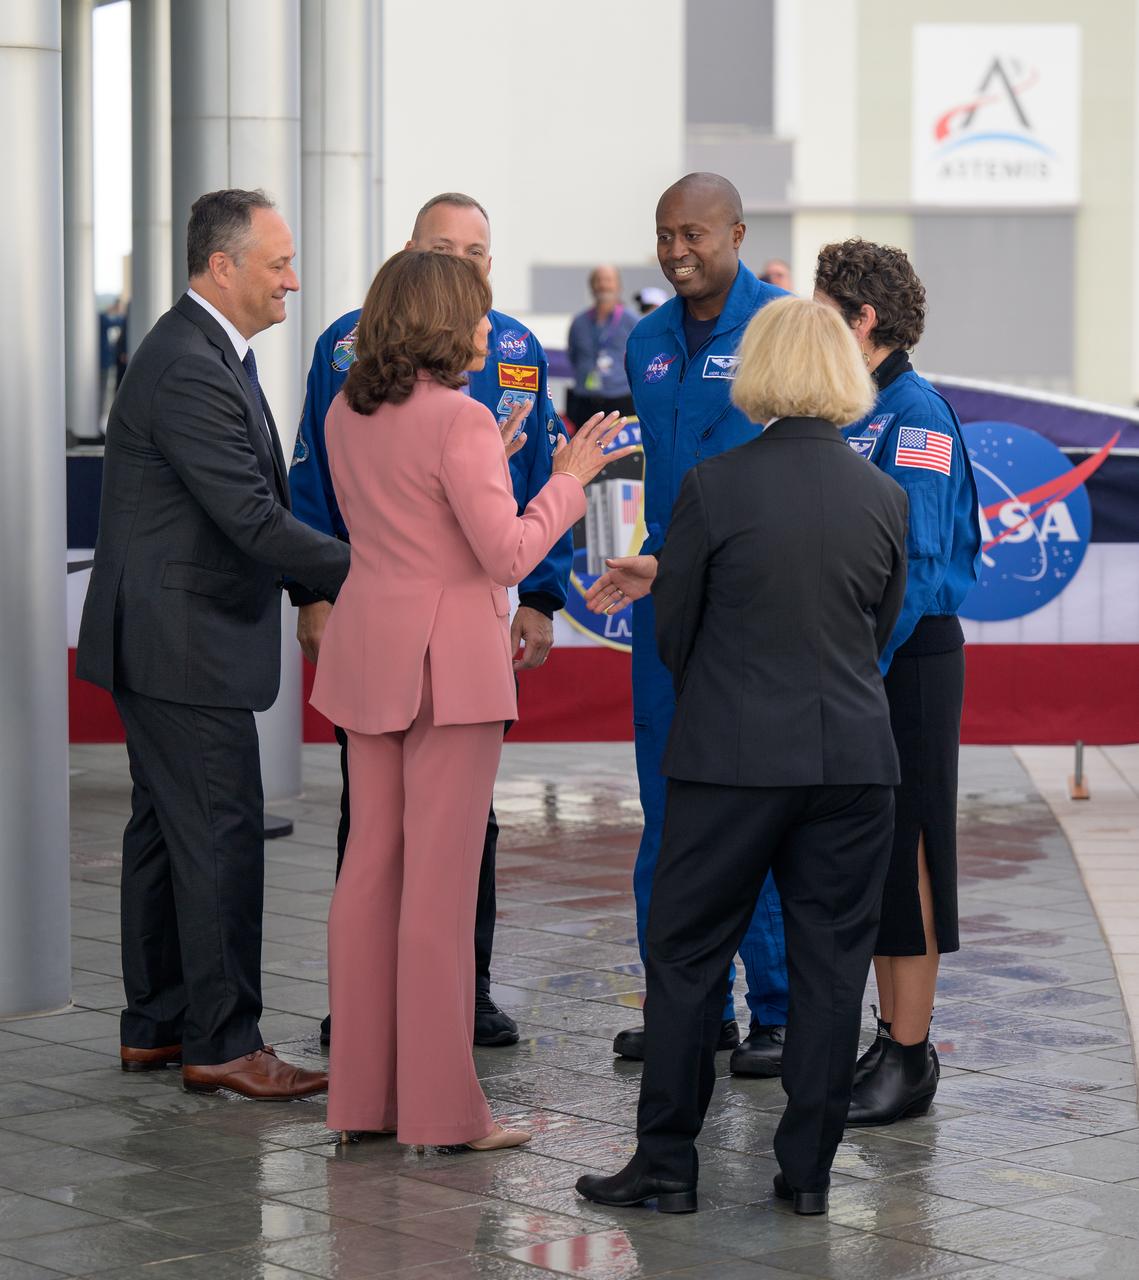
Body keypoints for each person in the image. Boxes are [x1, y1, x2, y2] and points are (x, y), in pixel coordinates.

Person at [576, 296, 908, 1216]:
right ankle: (805, 1176)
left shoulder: (713, 487)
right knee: (830, 969)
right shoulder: (882, 495)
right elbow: (877, 631)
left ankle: (666, 1167)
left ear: (757, 372)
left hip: (727, 759)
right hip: (850, 761)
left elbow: (673, 634)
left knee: (684, 958)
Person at [311, 251, 633, 1150]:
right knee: (440, 892)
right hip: (447, 667)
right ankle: (445, 1115)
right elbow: (506, 555)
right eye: (480, 316)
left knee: (368, 869)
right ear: (444, 321)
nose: (491, 332)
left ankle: (364, 1102)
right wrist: (568, 478)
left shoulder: (344, 411)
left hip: (369, 652)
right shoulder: (460, 421)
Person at [76, 189, 350, 1098]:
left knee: (164, 834)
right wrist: (376, 570)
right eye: (277, 264)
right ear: (220, 267)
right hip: (180, 645)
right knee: (222, 836)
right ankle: (225, 1044)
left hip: (165, 637)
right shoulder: (190, 363)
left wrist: (318, 579)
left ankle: (157, 1026)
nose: (293, 281)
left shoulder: (202, 352)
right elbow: (249, 516)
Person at [289, 193, 571, 1050]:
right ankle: (373, 1005)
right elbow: (314, 482)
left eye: (477, 251)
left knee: (456, 829)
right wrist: (312, 592)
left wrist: (538, 600)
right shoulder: (346, 347)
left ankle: (462, 993)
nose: (463, 266)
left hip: (463, 631)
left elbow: (503, 481)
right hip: (387, 625)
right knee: (377, 829)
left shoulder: (513, 350)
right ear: (409, 256)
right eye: (445, 250)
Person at [584, 173, 790, 1077]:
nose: (676, 252)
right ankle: (689, 1008)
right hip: (667, 608)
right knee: (666, 811)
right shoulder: (646, 339)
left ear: (736, 233)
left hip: (753, 610)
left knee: (756, 814)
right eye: (665, 235)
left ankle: (778, 1012)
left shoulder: (782, 328)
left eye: (694, 235)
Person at [814, 239, 981, 1126]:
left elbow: (913, 568)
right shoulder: (853, 407)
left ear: (861, 318)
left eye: (819, 307)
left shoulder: (911, 415)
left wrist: (854, 668)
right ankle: (888, 1036)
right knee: (875, 857)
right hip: (860, 659)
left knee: (910, 852)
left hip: (904, 659)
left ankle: (910, 1056)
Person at [566, 264, 638, 424]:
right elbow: (573, 356)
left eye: (608, 280)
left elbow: (641, 359)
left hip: (621, 399)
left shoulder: (632, 321)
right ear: (591, 286)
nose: (603, 285)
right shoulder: (579, 322)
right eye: (598, 280)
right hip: (585, 401)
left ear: (618, 286)